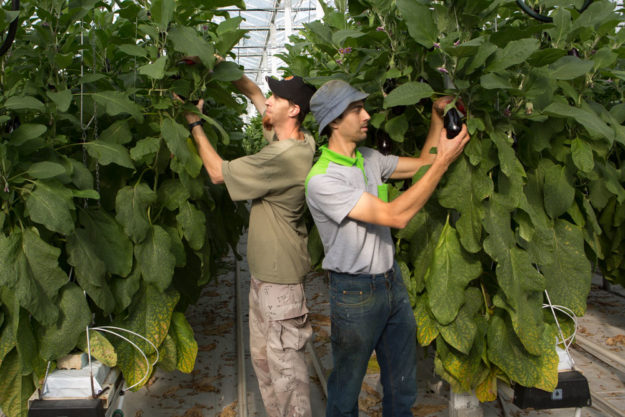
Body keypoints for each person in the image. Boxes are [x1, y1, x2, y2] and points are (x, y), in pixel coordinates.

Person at [304, 79, 470, 417]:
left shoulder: (368, 158)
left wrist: (437, 117)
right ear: (334, 121)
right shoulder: (323, 180)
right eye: (356, 110)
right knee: (346, 390)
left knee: (402, 384)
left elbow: (422, 163)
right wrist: (444, 161)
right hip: (354, 293)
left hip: (391, 282)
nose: (367, 115)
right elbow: (396, 215)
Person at [175, 70, 317, 417]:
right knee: (266, 366)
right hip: (265, 280)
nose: (268, 101)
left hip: (280, 287)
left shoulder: (283, 157)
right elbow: (256, 95)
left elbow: (217, 172)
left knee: (288, 380)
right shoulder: (300, 141)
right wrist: (221, 68)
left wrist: (195, 123)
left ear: (294, 110)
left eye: (277, 98)